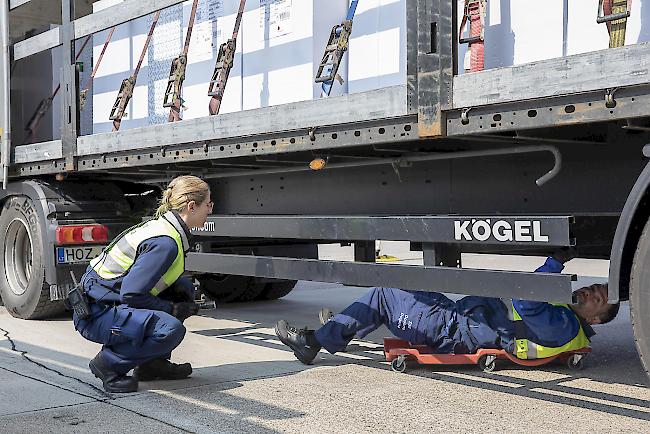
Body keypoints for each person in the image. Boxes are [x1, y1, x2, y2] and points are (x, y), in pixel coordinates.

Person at [275, 250, 620, 365]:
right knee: (406, 285)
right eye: (593, 287)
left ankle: (315, 342)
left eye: (598, 297)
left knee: (383, 294)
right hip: (455, 318)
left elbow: (525, 296)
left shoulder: (563, 324)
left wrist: (554, 261)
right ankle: (344, 325)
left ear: (597, 319)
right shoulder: (565, 319)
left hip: (450, 330)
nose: (590, 291)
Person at [72, 175, 213, 393]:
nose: (210, 210)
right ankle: (108, 364)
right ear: (192, 206)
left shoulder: (166, 229)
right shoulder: (165, 242)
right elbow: (132, 294)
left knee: (182, 288)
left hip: (106, 304)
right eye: (208, 204)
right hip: (95, 314)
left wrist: (178, 298)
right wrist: (173, 309)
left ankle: (152, 366)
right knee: (170, 329)